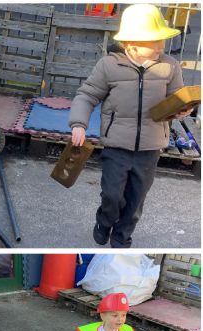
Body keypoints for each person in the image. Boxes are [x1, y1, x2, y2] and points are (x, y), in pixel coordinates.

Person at [69, 3, 193, 248]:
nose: (161, 46)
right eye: (155, 41)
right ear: (132, 43)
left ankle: (121, 236)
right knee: (112, 195)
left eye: (162, 40)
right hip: (117, 145)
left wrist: (183, 109)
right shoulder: (109, 65)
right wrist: (79, 124)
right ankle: (104, 221)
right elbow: (87, 95)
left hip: (150, 147)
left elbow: (177, 98)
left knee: (136, 199)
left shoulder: (170, 66)